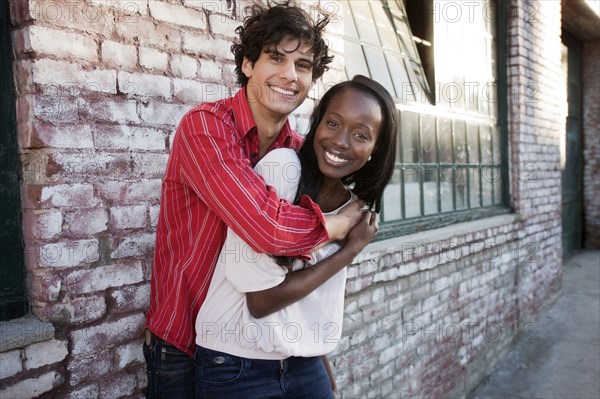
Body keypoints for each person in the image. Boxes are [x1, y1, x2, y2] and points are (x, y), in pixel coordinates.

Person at [144, 2, 369, 398]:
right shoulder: (205, 128)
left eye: (302, 65)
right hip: (182, 344)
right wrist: (335, 225)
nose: (289, 75)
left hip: (264, 349)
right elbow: (267, 228)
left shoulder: (299, 156)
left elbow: (306, 274)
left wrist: (318, 362)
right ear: (248, 64)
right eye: (276, 58)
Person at [194, 75, 398, 399]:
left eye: (361, 134)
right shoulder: (282, 170)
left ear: (376, 149)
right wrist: (350, 250)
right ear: (317, 124)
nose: (341, 141)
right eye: (333, 122)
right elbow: (261, 302)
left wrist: (319, 362)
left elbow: (314, 300)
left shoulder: (352, 209)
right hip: (237, 363)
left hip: (304, 363)